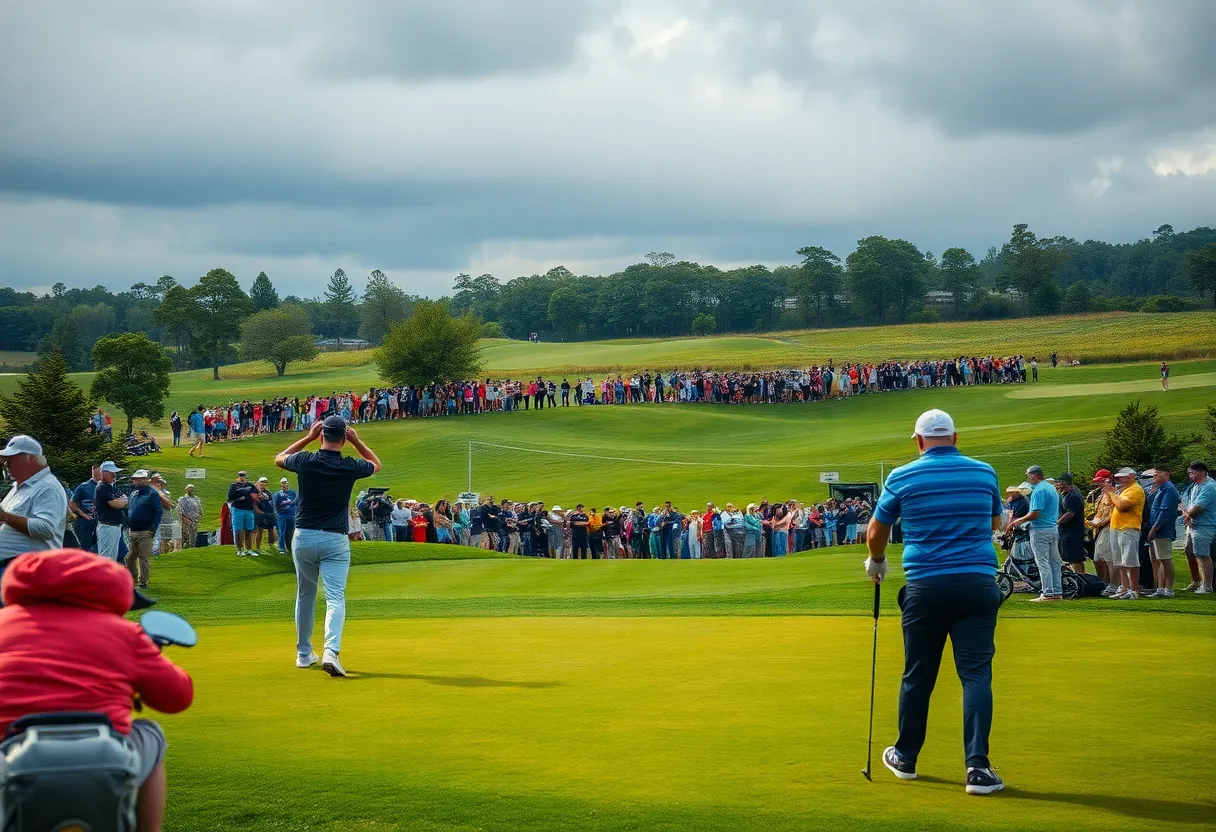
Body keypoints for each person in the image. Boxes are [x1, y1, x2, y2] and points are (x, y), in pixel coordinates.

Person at [864, 408, 1005, 795]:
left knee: (918, 676)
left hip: (925, 585)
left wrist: (877, 561)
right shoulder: (984, 472)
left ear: (919, 441)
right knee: (976, 675)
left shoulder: (902, 475)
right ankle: (977, 769)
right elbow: (994, 522)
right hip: (977, 584)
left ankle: (905, 757)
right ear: (955, 438)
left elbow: (877, 530)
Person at [0, 549, 193, 830]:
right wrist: (149, 654)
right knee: (151, 732)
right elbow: (178, 697)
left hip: (10, 756)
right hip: (108, 759)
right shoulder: (127, 634)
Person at [276, 415, 380, 677]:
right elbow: (375, 464)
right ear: (343, 439)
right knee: (335, 597)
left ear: (322, 435)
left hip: (304, 536)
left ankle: (303, 653)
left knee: (305, 595)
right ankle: (331, 651)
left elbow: (279, 457)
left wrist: (308, 438)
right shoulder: (349, 466)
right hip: (335, 538)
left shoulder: (305, 460)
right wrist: (357, 440)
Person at [0, 435, 69, 590]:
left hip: (26, 572)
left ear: (31, 459)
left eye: (12, 458)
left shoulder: (48, 487)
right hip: (13, 569)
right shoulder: (19, 487)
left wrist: (5, 516)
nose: (6, 463)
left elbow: (46, 528)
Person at [1006, 465, 1061, 602]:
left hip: (1040, 529)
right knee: (1054, 562)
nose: (1028, 477)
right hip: (1053, 528)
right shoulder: (1051, 488)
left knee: (1042, 562)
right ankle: (1057, 591)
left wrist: (1017, 521)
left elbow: (1035, 513)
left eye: (1028, 475)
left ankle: (1047, 593)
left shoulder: (1039, 490)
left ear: (1034, 475)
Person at [1104, 467, 1145, 600]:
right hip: (1117, 527)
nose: (1119, 479)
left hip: (1129, 527)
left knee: (1130, 561)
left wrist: (1112, 494)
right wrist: (1111, 494)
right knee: (1120, 561)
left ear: (1132, 476)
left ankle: (1134, 590)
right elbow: (1114, 504)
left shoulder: (1136, 490)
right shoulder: (1124, 490)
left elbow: (1122, 506)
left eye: (1122, 477)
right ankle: (1124, 587)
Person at [1144, 465, 1179, 598]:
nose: (1154, 477)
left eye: (1157, 474)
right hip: (1155, 529)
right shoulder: (1159, 488)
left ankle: (1168, 589)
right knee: (1158, 559)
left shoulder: (1169, 489)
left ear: (1166, 474)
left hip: (1163, 530)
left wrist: (1154, 528)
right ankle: (1160, 587)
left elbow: (1165, 512)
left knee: (1165, 558)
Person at [1180, 461, 1214, 593]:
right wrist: (1186, 514)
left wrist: (1188, 514)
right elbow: (1184, 503)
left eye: (1192, 472)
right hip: (1192, 524)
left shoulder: (1209, 486)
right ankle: (1196, 581)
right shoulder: (1193, 486)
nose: (1190, 475)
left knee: (1202, 554)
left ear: (1201, 472)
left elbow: (1200, 506)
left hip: (1204, 525)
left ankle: (1207, 586)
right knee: (1189, 552)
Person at [124, 469, 161, 589]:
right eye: (135, 479)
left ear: (145, 480)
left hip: (146, 531)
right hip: (132, 531)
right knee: (130, 557)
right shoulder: (133, 494)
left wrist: (153, 528)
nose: (135, 481)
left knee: (143, 557)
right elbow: (129, 509)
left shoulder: (152, 494)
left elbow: (158, 512)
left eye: (138, 479)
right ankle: (133, 578)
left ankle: (143, 581)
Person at [93, 460, 128, 560]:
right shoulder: (102, 487)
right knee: (106, 557)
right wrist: (125, 501)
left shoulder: (110, 486)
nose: (114, 475)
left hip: (113, 526)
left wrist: (122, 500)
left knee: (111, 557)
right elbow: (116, 504)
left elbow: (120, 498)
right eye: (111, 473)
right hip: (107, 526)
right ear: (103, 473)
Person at [1088, 469, 1116, 592]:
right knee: (1098, 558)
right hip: (1099, 528)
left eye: (1100, 481)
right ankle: (1104, 582)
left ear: (1108, 480)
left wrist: (1102, 522)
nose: (1098, 484)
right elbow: (1099, 512)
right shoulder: (1100, 494)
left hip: (1108, 527)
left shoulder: (1113, 493)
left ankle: (1111, 584)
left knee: (1107, 557)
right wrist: (1094, 521)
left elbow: (1115, 511)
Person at [1054, 473, 1087, 575]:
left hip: (1073, 533)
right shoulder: (1066, 495)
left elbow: (1070, 514)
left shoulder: (1073, 496)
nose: (1057, 485)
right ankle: (1079, 579)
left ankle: (1081, 578)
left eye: (1058, 482)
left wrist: (1057, 523)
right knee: (1072, 559)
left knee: (1076, 558)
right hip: (1067, 533)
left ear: (1064, 483)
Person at [68, 463, 102, 553]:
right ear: (94, 471)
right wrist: (83, 514)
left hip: (101, 521)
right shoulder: (84, 487)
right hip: (85, 522)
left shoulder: (105, 486)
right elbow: (71, 503)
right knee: (87, 549)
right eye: (99, 472)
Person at [227, 470, 260, 557]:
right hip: (238, 509)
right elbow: (230, 496)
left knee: (249, 529)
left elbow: (256, 493)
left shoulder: (250, 485)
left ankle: (249, 549)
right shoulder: (234, 485)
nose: (242, 477)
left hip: (249, 509)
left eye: (244, 475)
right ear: (238, 476)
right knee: (239, 530)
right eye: (241, 475)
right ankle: (240, 549)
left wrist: (255, 495)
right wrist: (240, 495)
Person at [252, 476, 277, 553]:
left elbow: (271, 501)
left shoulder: (268, 492)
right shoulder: (256, 492)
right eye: (262, 482)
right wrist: (258, 511)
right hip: (260, 514)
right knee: (260, 530)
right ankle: (258, 548)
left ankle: (271, 546)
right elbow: (254, 503)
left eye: (265, 482)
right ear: (259, 483)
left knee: (270, 530)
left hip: (269, 514)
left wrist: (273, 512)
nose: (264, 484)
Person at [274, 477, 298, 554]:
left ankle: (289, 547)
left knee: (290, 533)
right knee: (281, 532)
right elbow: (275, 505)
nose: (285, 485)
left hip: (292, 516)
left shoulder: (293, 493)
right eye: (283, 483)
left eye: (286, 483)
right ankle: (281, 548)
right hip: (282, 516)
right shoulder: (278, 494)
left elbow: (297, 503)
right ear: (281, 485)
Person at [178, 484, 202, 549]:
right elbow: (180, 510)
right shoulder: (182, 499)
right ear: (186, 489)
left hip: (194, 520)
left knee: (193, 535)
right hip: (185, 521)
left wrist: (198, 516)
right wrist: (185, 518)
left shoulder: (196, 499)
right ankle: (184, 547)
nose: (191, 489)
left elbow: (199, 509)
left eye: (192, 488)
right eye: (189, 488)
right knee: (185, 535)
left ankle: (192, 547)